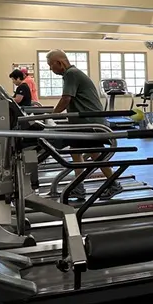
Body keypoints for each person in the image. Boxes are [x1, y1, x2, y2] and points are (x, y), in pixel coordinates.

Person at [45, 49, 123, 200]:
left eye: (50, 65)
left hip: (90, 123)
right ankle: (78, 187)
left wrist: (51, 115)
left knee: (95, 154)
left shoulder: (71, 74)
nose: (50, 69)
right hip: (83, 123)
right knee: (76, 151)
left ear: (59, 62)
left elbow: (66, 99)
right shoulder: (71, 74)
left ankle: (113, 184)